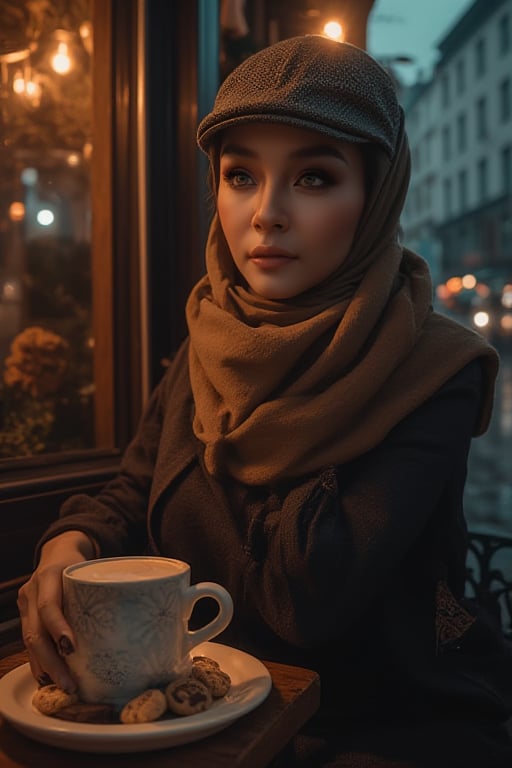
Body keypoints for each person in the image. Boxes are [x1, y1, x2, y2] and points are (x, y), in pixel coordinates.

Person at [18, 35, 512, 767]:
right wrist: (68, 547)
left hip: (383, 721)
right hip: (205, 708)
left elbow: (304, 600)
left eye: (313, 178)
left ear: (375, 197)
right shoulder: (206, 339)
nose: (266, 213)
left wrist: (255, 410)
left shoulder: (434, 367)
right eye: (240, 174)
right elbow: (132, 489)